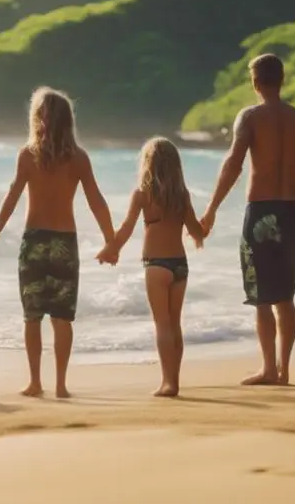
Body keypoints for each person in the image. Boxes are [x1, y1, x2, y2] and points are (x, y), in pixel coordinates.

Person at [198, 53, 295, 386]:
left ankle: (268, 368)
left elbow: (233, 164)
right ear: (282, 79)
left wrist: (211, 208)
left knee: (261, 295)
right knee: (284, 296)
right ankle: (284, 370)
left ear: (255, 82)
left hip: (260, 211)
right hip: (292, 213)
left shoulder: (250, 117)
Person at [0, 87, 114, 399]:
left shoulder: (28, 155)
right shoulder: (78, 158)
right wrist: (111, 240)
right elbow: (96, 201)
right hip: (65, 243)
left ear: (37, 118)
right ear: (68, 121)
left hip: (35, 242)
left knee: (33, 315)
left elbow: (12, 198)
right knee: (62, 316)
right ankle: (62, 384)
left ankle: (36, 382)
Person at [98, 137, 205, 397]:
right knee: (175, 324)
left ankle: (168, 382)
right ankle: (174, 381)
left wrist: (111, 249)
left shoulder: (142, 195)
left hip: (157, 266)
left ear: (147, 165)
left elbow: (126, 228)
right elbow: (195, 231)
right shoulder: (182, 196)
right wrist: (204, 227)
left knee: (162, 324)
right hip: (180, 266)